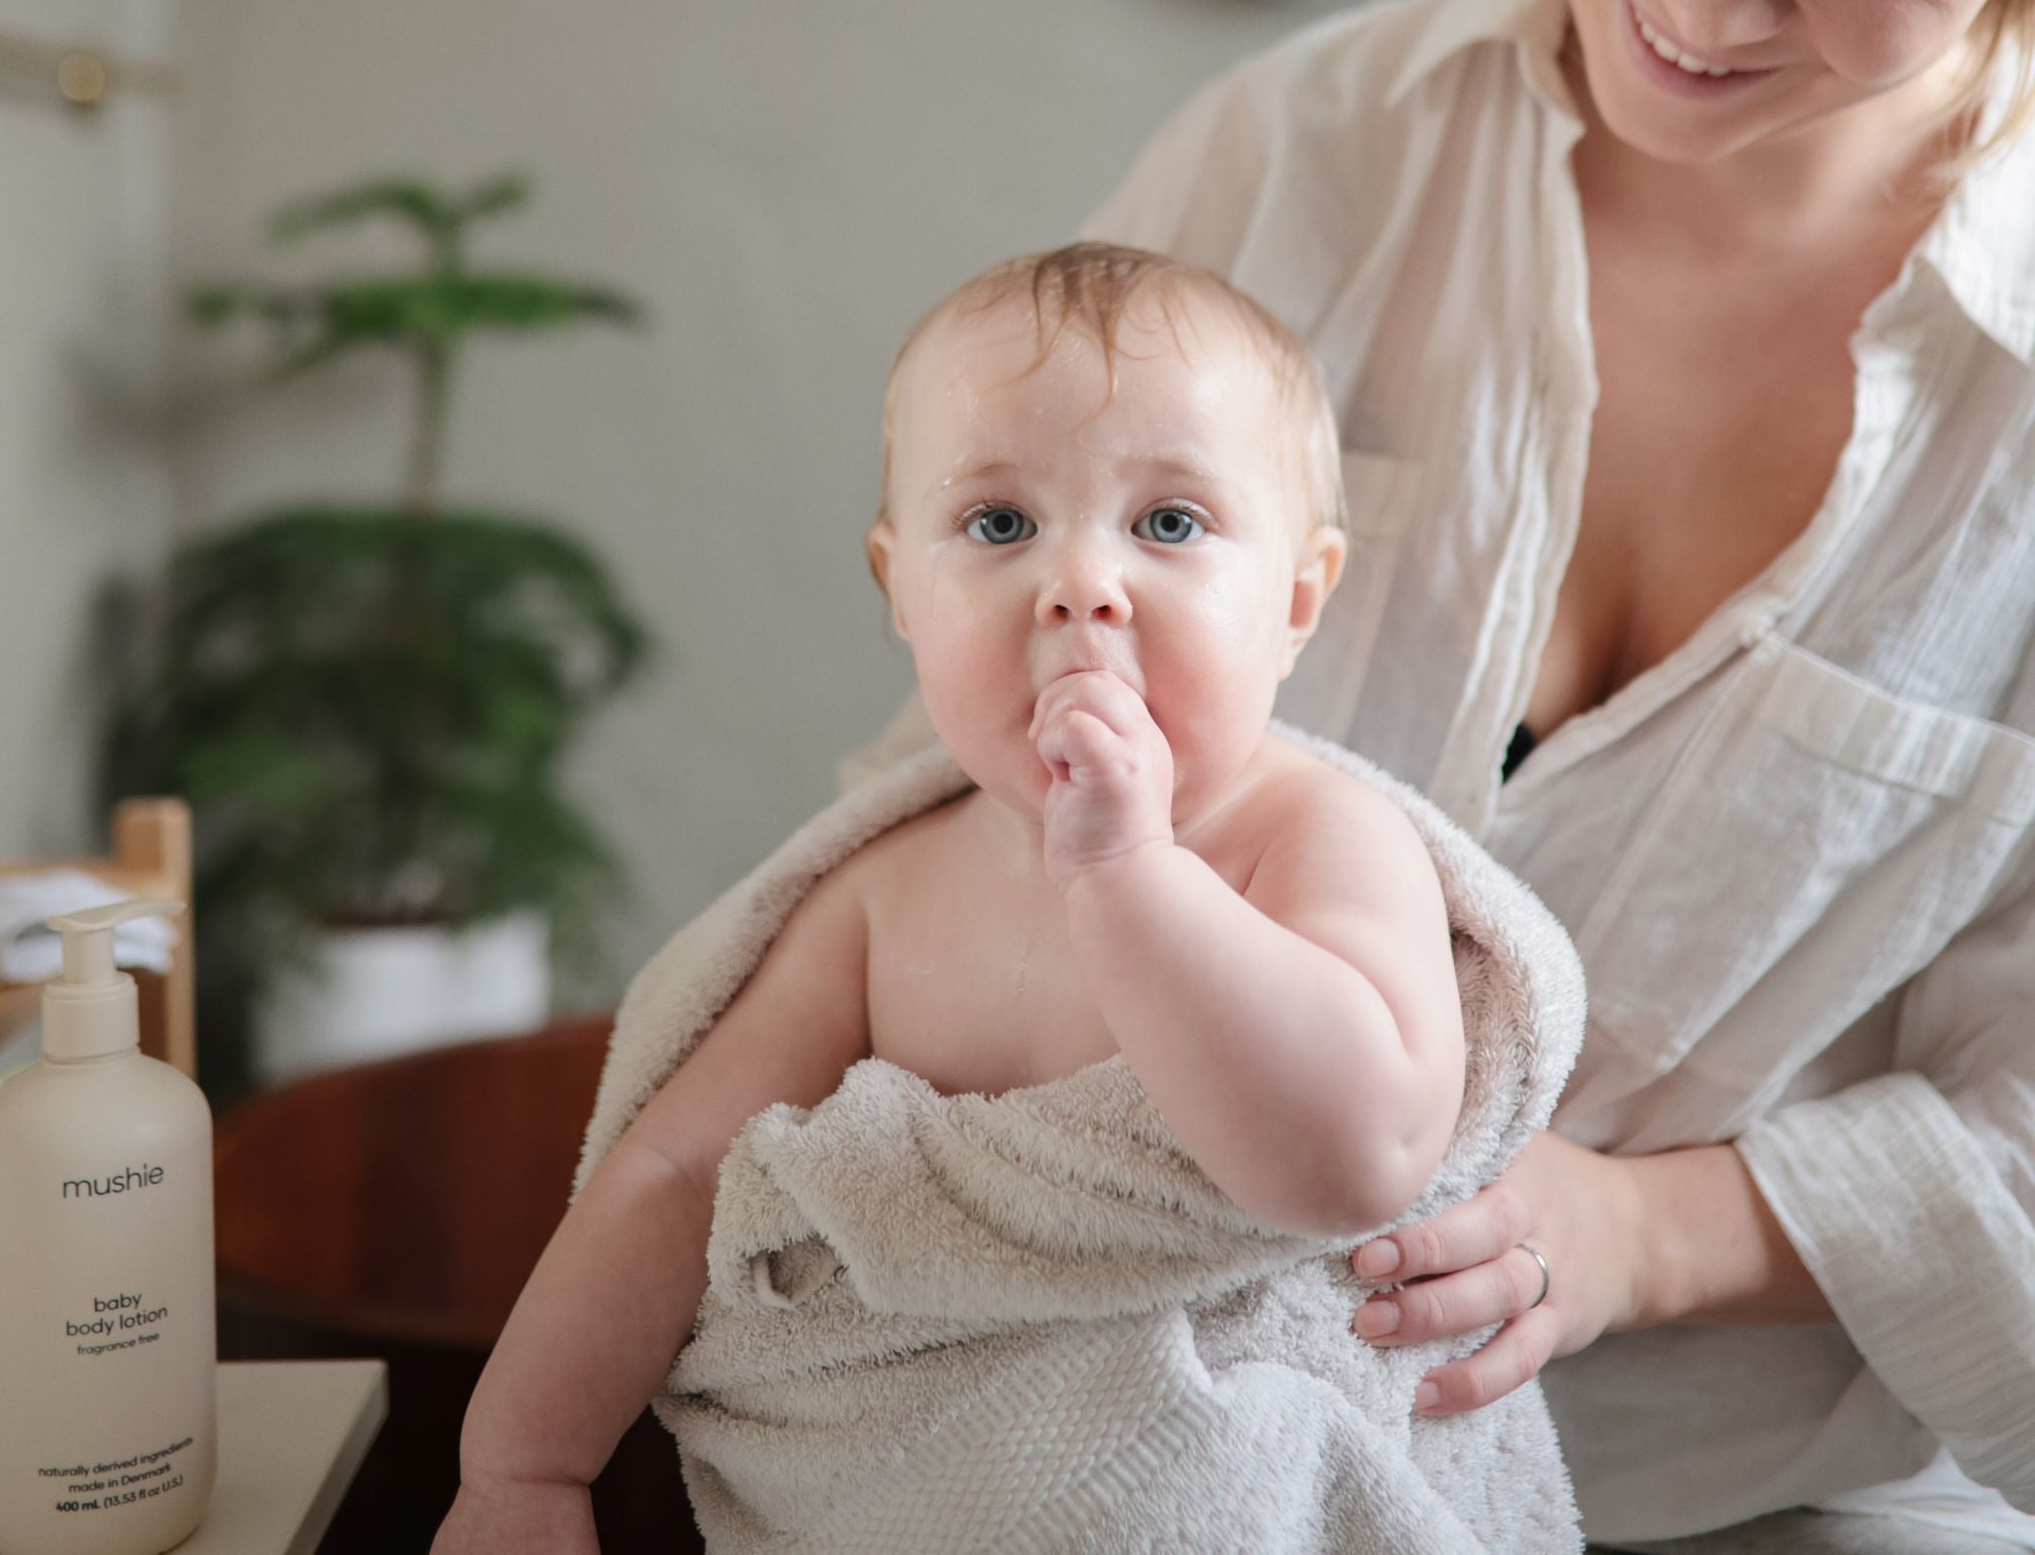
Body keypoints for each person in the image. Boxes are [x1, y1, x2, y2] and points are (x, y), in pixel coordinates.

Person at [1044, 0, 2035, 1548]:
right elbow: (966, 784)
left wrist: (1641, 1236)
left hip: (1775, 1480)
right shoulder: (1291, 164)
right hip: (1168, 1420)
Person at [434, 245, 1593, 1555]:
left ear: (1295, 600)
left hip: (1232, 1470)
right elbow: (678, 1170)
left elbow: (1357, 1161)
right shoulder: (879, 899)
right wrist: (523, 1465)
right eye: (998, 525)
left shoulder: (1318, 841)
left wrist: (1129, 876)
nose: (1080, 583)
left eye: (1169, 524)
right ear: (901, 593)